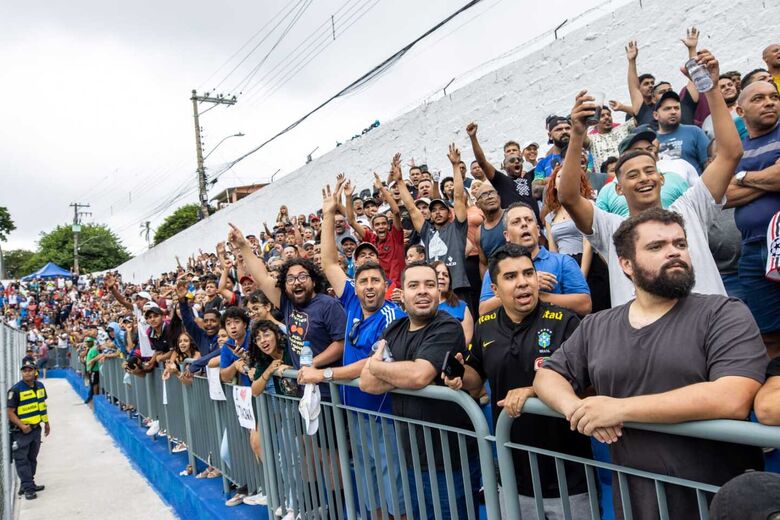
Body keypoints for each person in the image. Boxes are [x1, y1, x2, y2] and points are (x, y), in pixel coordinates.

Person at [534, 208, 768, 520]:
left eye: (680, 244)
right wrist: (577, 409)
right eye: (656, 247)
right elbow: (547, 375)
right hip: (637, 503)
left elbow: (733, 396)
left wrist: (619, 409)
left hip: (718, 502)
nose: (674, 252)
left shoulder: (724, 313)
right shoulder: (598, 325)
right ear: (625, 264)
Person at [558, 49, 741, 307]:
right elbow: (567, 196)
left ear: (662, 179)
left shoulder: (690, 208)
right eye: (633, 175)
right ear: (619, 189)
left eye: (649, 170)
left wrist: (710, 88)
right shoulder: (612, 229)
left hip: (709, 333)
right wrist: (578, 133)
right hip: (645, 341)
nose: (644, 178)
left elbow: (730, 153)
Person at [444, 244, 592, 518]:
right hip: (514, 475)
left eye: (528, 273)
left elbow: (587, 386)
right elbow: (477, 379)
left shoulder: (566, 322)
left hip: (569, 475)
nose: (523, 283)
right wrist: (461, 375)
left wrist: (535, 391)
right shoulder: (485, 325)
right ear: (495, 289)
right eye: (511, 277)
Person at [299, 181, 406, 518]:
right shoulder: (350, 302)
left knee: (393, 481)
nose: (369, 286)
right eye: (363, 281)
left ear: (386, 285)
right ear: (355, 286)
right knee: (369, 476)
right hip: (355, 411)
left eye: (376, 281)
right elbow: (329, 261)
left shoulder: (393, 314)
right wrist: (330, 215)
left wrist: (324, 373)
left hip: (384, 413)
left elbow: (369, 367)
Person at [359, 262, 479, 519]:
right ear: (402, 293)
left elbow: (418, 374)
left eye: (430, 285)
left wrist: (383, 368)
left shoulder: (447, 326)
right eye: (414, 285)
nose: (422, 291)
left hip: (450, 458)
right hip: (412, 457)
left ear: (439, 292)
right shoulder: (394, 328)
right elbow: (367, 383)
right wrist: (396, 373)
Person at [230, 223, 346, 397]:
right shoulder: (287, 303)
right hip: (305, 389)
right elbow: (262, 278)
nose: (296, 282)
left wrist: (311, 363)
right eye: (290, 279)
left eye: (302, 277)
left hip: (331, 392)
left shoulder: (328, 305)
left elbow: (341, 344)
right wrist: (243, 245)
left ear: (313, 281)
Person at [725, 80, 780, 357]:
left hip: (778, 243)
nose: (769, 102)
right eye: (759, 98)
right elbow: (723, 195)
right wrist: (766, 177)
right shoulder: (735, 150)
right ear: (740, 110)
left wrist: (743, 177)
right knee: (767, 332)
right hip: (750, 251)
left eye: (774, 97)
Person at [479, 202, 592, 317]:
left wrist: (539, 294)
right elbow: (483, 311)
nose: (524, 224)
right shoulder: (498, 268)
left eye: (529, 220)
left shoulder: (563, 262)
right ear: (506, 235)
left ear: (538, 230)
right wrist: (528, 284)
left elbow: (585, 305)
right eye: (516, 222)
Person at [395, 145, 471, 303]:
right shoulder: (426, 232)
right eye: (433, 210)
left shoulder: (457, 228)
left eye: (441, 209)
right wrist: (399, 181)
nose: (437, 212)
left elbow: (458, 196)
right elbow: (411, 207)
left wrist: (456, 166)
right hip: (434, 291)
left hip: (457, 287)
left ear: (449, 212)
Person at [544, 166, 611, 312]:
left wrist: (581, 276)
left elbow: (588, 243)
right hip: (564, 266)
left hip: (589, 264)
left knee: (597, 310)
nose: (564, 180)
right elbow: (552, 249)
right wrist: (558, 275)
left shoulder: (588, 206)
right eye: (560, 177)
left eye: (569, 176)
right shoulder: (550, 217)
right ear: (554, 184)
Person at [467, 122, 539, 221]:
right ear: (504, 167)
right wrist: (473, 137)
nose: (516, 162)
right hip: (515, 228)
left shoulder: (532, 175)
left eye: (519, 160)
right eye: (512, 161)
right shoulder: (501, 181)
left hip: (538, 227)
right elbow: (482, 162)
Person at [7, 359, 50, 500]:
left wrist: (46, 423)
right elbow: (10, 412)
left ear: (35, 371)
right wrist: (22, 426)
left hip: (36, 429)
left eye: (30, 370)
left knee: (32, 458)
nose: (27, 373)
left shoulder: (40, 386)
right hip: (22, 432)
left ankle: (27, 484)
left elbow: (42, 406)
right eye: (24, 370)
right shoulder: (16, 390)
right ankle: (28, 489)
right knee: (22, 460)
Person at [654, 91, 711, 174]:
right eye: (667, 109)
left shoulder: (694, 132)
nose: (673, 112)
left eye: (676, 108)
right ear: (656, 115)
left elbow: (709, 163)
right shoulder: (652, 140)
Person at [431, 260, 474, 345]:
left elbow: (467, 339)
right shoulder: (422, 306)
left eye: (445, 275)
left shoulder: (461, 306)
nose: (441, 277)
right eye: (437, 274)